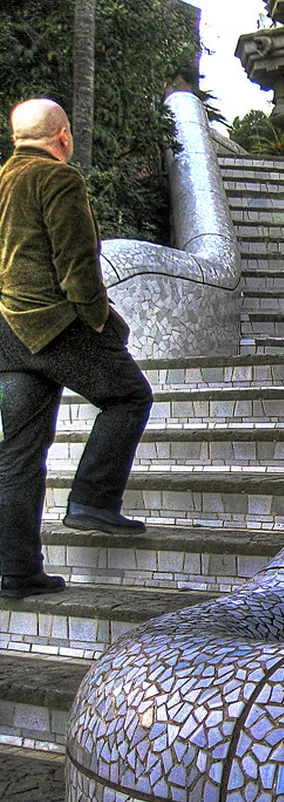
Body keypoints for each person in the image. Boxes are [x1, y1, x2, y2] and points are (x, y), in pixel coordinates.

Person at [0, 98, 153, 599]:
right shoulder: (58, 179)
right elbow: (78, 265)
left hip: (8, 332)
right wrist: (99, 323)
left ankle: (16, 572)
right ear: (62, 136)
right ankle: (92, 498)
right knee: (130, 396)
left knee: (19, 454)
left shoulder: (3, 179)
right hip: (54, 323)